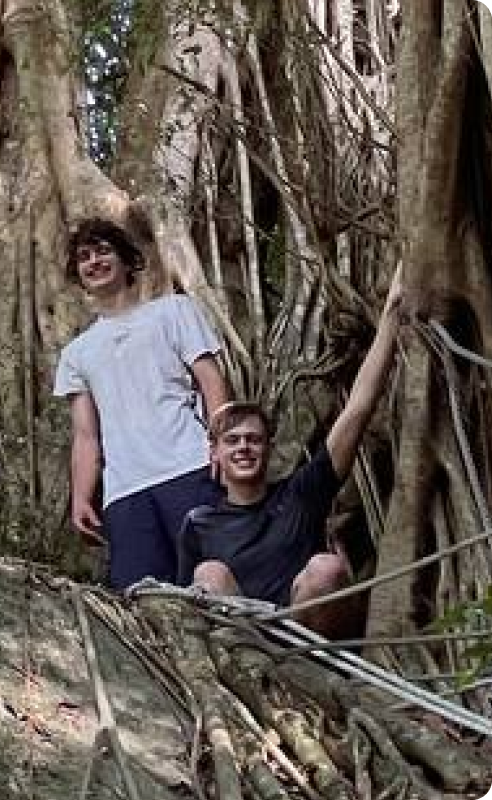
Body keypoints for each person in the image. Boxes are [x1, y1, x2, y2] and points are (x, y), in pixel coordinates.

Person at [178, 277, 405, 635]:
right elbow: (188, 606)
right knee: (209, 575)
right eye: (233, 441)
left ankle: (303, 668)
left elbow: (358, 410)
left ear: (269, 447)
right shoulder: (199, 523)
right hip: (245, 641)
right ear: (215, 454)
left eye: (253, 439)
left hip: (308, 637)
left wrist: (392, 312)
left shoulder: (300, 494)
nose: (243, 448)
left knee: (326, 568)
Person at [53, 217, 229, 589]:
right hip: (125, 492)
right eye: (84, 257)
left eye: (103, 251)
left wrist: (220, 444)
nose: (93, 262)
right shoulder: (76, 353)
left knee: (213, 582)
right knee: (143, 602)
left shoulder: (174, 311)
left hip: (189, 466)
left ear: (127, 260)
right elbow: (86, 436)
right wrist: (82, 497)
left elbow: (211, 380)